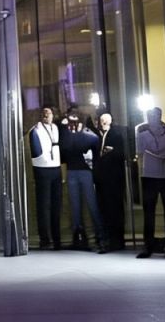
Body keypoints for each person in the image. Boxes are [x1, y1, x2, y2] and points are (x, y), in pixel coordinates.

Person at [135, 106, 165, 260]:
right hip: (150, 176)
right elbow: (141, 151)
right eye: (151, 115)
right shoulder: (145, 134)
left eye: (155, 115)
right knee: (149, 214)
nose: (153, 118)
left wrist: (155, 148)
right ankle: (148, 247)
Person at [59, 113, 106, 252]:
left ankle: (100, 236)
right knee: (75, 207)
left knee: (91, 205)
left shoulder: (87, 134)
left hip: (84, 172)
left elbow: (94, 144)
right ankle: (80, 237)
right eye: (70, 121)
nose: (72, 124)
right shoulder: (70, 133)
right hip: (74, 171)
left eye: (74, 121)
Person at [29, 106, 62, 250]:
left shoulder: (55, 128)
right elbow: (35, 151)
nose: (46, 115)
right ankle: (44, 238)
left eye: (49, 113)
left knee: (56, 205)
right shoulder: (36, 130)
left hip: (56, 167)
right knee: (43, 205)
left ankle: (56, 238)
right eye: (44, 113)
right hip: (42, 168)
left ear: (53, 115)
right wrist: (42, 159)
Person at [94, 112, 126, 251]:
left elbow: (122, 154)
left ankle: (117, 240)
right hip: (103, 179)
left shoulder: (116, 135)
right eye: (101, 120)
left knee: (115, 209)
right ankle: (108, 239)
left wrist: (111, 151)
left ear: (110, 121)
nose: (102, 123)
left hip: (114, 180)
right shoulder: (98, 136)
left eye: (105, 121)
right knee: (105, 209)